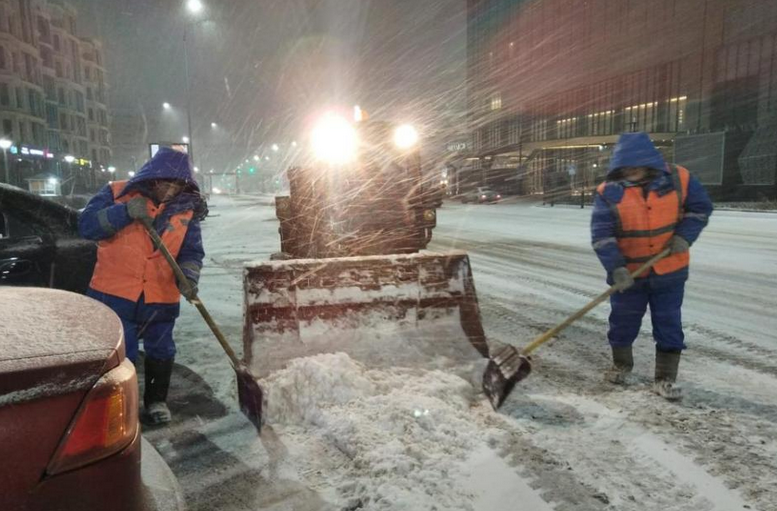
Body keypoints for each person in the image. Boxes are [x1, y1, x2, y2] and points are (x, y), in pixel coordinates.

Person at [79, 148, 207, 424]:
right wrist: (123, 213)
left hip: (160, 296)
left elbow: (192, 252)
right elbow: (86, 226)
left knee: (162, 351)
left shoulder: (186, 210)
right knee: (122, 356)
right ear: (153, 177)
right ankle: (121, 406)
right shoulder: (116, 193)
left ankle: (156, 401)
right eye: (165, 182)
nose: (170, 190)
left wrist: (188, 276)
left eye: (177, 185)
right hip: (114, 294)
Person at [591, 132, 712, 400]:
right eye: (625, 166)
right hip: (628, 276)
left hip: (669, 272)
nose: (631, 170)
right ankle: (621, 364)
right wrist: (616, 268)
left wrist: (684, 236)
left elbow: (700, 209)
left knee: (668, 323)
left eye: (636, 164)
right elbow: (602, 236)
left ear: (650, 162)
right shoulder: (608, 193)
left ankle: (666, 379)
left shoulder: (679, 179)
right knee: (622, 322)